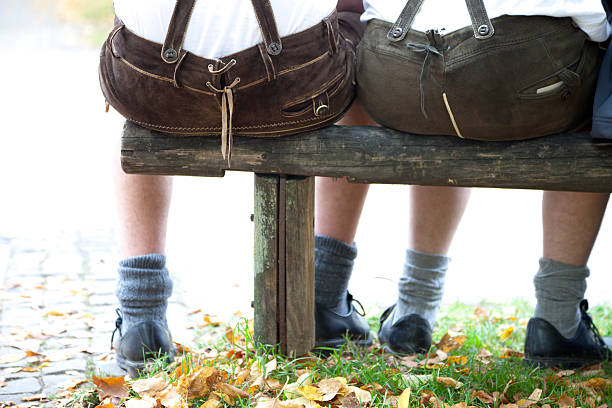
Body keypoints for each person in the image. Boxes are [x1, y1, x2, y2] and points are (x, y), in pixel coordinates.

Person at [312, 0, 611, 368]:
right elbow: (594, 18)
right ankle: (558, 317)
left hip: (395, 71)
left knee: (364, 70)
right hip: (517, 72)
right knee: (601, 92)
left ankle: (401, 309)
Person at [102, 0, 369, 376]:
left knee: (134, 68)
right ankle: (325, 300)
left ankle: (141, 319)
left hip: (157, 88)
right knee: (362, 39)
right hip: (295, 87)